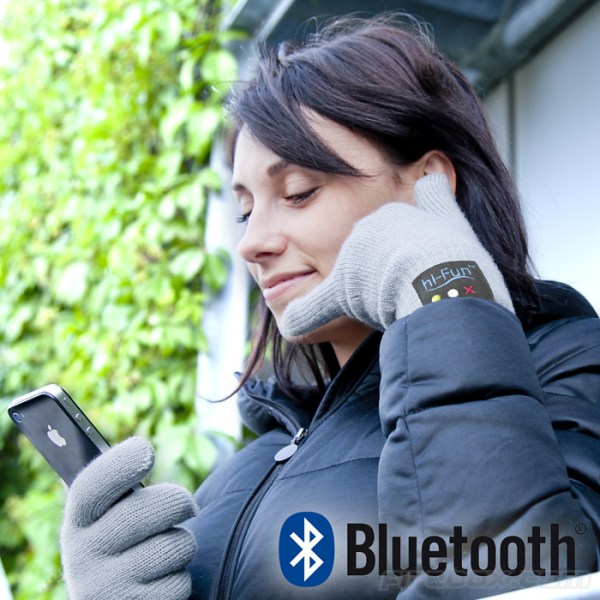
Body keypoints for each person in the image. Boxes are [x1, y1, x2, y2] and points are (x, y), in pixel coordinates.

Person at [59, 14, 600, 599]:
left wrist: (442, 286)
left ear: (429, 184)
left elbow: (509, 578)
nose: (250, 243)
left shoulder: (572, 372)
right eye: (245, 210)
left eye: (298, 193)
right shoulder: (251, 463)